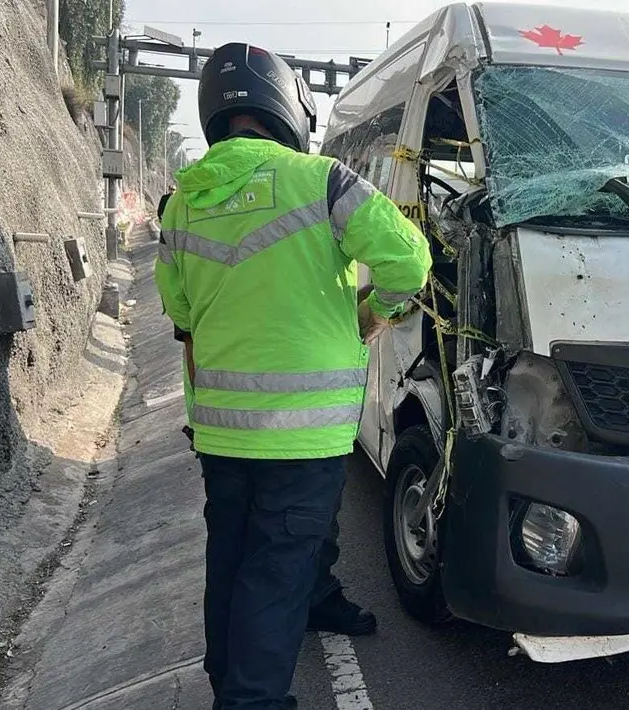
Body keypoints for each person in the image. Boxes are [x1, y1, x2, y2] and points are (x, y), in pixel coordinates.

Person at [154, 42, 432, 709]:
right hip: (303, 433)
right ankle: (250, 699)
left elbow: (181, 311)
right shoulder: (324, 181)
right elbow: (408, 260)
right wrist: (377, 312)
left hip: (222, 430)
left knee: (235, 555)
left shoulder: (181, 204)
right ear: (286, 107)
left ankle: (312, 606)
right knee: (273, 564)